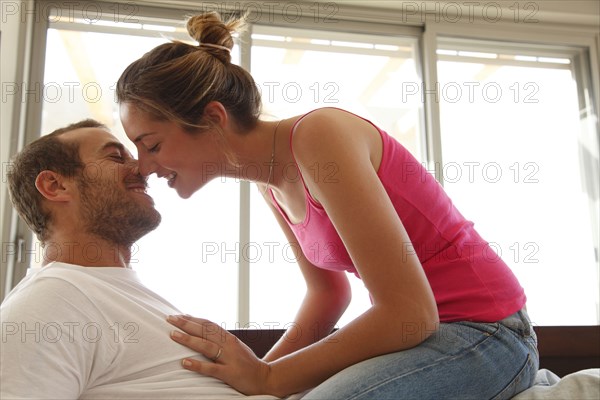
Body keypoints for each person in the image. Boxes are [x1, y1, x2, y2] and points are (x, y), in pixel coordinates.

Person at [116, 11, 539, 400]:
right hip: (425, 337)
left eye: (151, 145)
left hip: (488, 331)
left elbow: (409, 311)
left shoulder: (320, 136)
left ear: (212, 117)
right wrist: (259, 379)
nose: (144, 167)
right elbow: (327, 294)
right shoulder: (271, 183)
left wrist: (269, 379)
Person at [0, 120, 280, 400]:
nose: (143, 168)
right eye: (115, 156)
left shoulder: (121, 297)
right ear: (55, 185)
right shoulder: (50, 299)